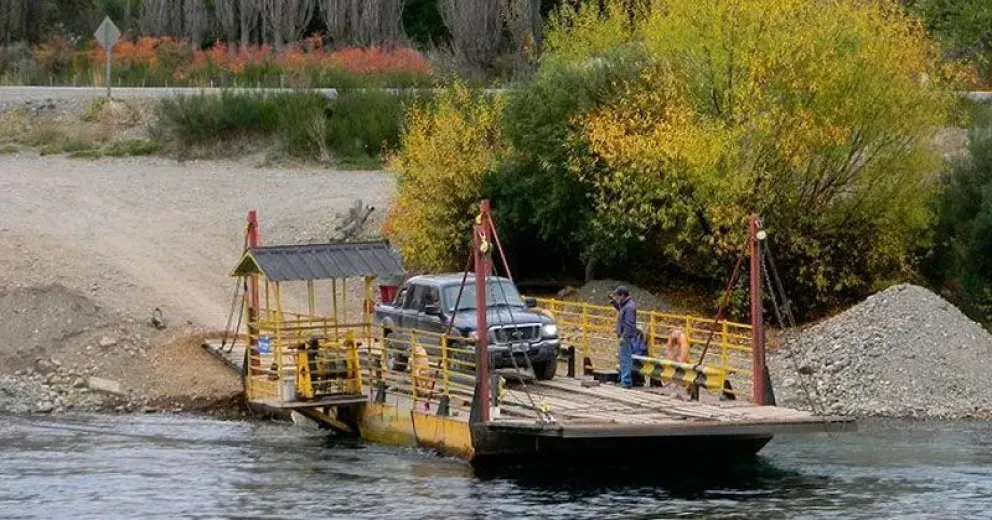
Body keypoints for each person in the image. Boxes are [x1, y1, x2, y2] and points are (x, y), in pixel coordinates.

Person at [608, 286, 637, 389]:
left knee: (625, 359)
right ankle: (624, 380)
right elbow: (621, 311)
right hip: (625, 336)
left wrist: (624, 336)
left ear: (622, 295)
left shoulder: (629, 307)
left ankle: (626, 381)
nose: (617, 299)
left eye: (618, 296)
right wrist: (614, 303)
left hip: (626, 337)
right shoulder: (626, 305)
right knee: (623, 358)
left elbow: (629, 323)